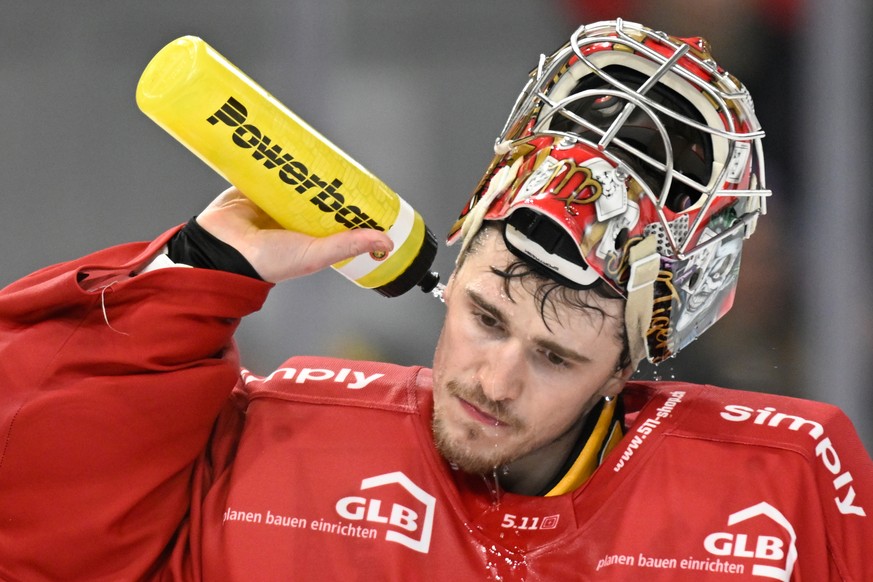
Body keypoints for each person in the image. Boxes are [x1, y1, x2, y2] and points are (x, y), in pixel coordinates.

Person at [0, 19, 870, 582]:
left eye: (554, 356)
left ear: (625, 368)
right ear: (454, 274)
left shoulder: (784, 491)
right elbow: (35, 522)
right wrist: (192, 275)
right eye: (485, 316)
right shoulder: (275, 451)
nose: (493, 379)